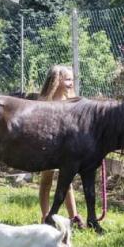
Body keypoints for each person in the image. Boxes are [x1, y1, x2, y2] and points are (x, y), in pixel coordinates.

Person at [37, 64, 85, 228]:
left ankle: (74, 217)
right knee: (46, 182)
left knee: (67, 183)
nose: (72, 83)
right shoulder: (46, 103)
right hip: (48, 147)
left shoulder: (72, 102)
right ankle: (45, 217)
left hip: (65, 149)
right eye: (68, 79)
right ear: (57, 80)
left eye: (72, 79)